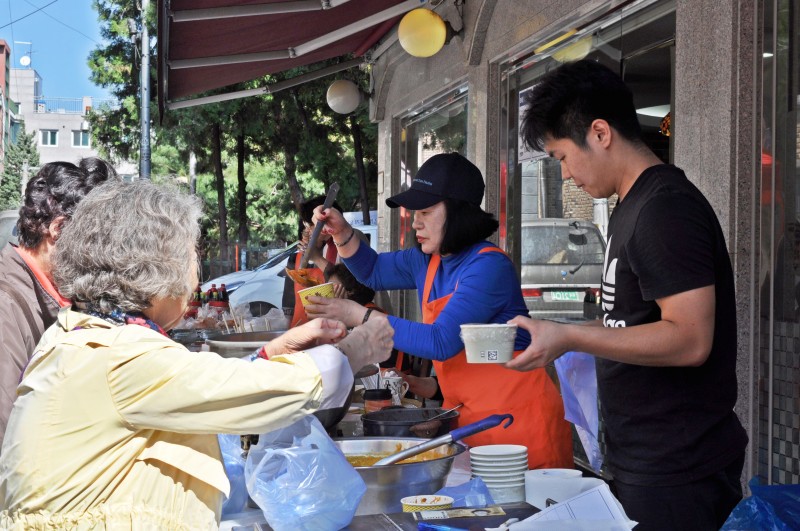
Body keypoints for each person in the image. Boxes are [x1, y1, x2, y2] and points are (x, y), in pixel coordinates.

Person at [0, 179, 394, 529]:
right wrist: (353, 350)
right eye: (191, 256)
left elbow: (194, 389)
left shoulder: (87, 335)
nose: (197, 272)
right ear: (157, 269)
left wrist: (270, 353)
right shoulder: (119, 354)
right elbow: (257, 391)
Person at [510, 59, 747, 530]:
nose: (566, 175)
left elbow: (689, 339)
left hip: (680, 469)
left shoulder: (665, 209)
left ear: (600, 133)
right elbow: (629, 322)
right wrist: (559, 335)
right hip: (644, 461)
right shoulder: (627, 208)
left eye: (561, 157)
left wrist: (571, 339)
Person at [311, 153, 572, 469]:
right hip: (470, 422)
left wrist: (361, 317)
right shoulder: (426, 260)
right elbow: (373, 271)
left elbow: (441, 341)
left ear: (459, 212)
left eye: (426, 211)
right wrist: (341, 232)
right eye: (414, 212)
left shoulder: (488, 266)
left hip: (521, 425)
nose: (415, 222)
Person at [0, 158, 117, 450]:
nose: (99, 256)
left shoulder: (51, 296)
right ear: (58, 228)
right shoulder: (7, 309)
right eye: (93, 240)